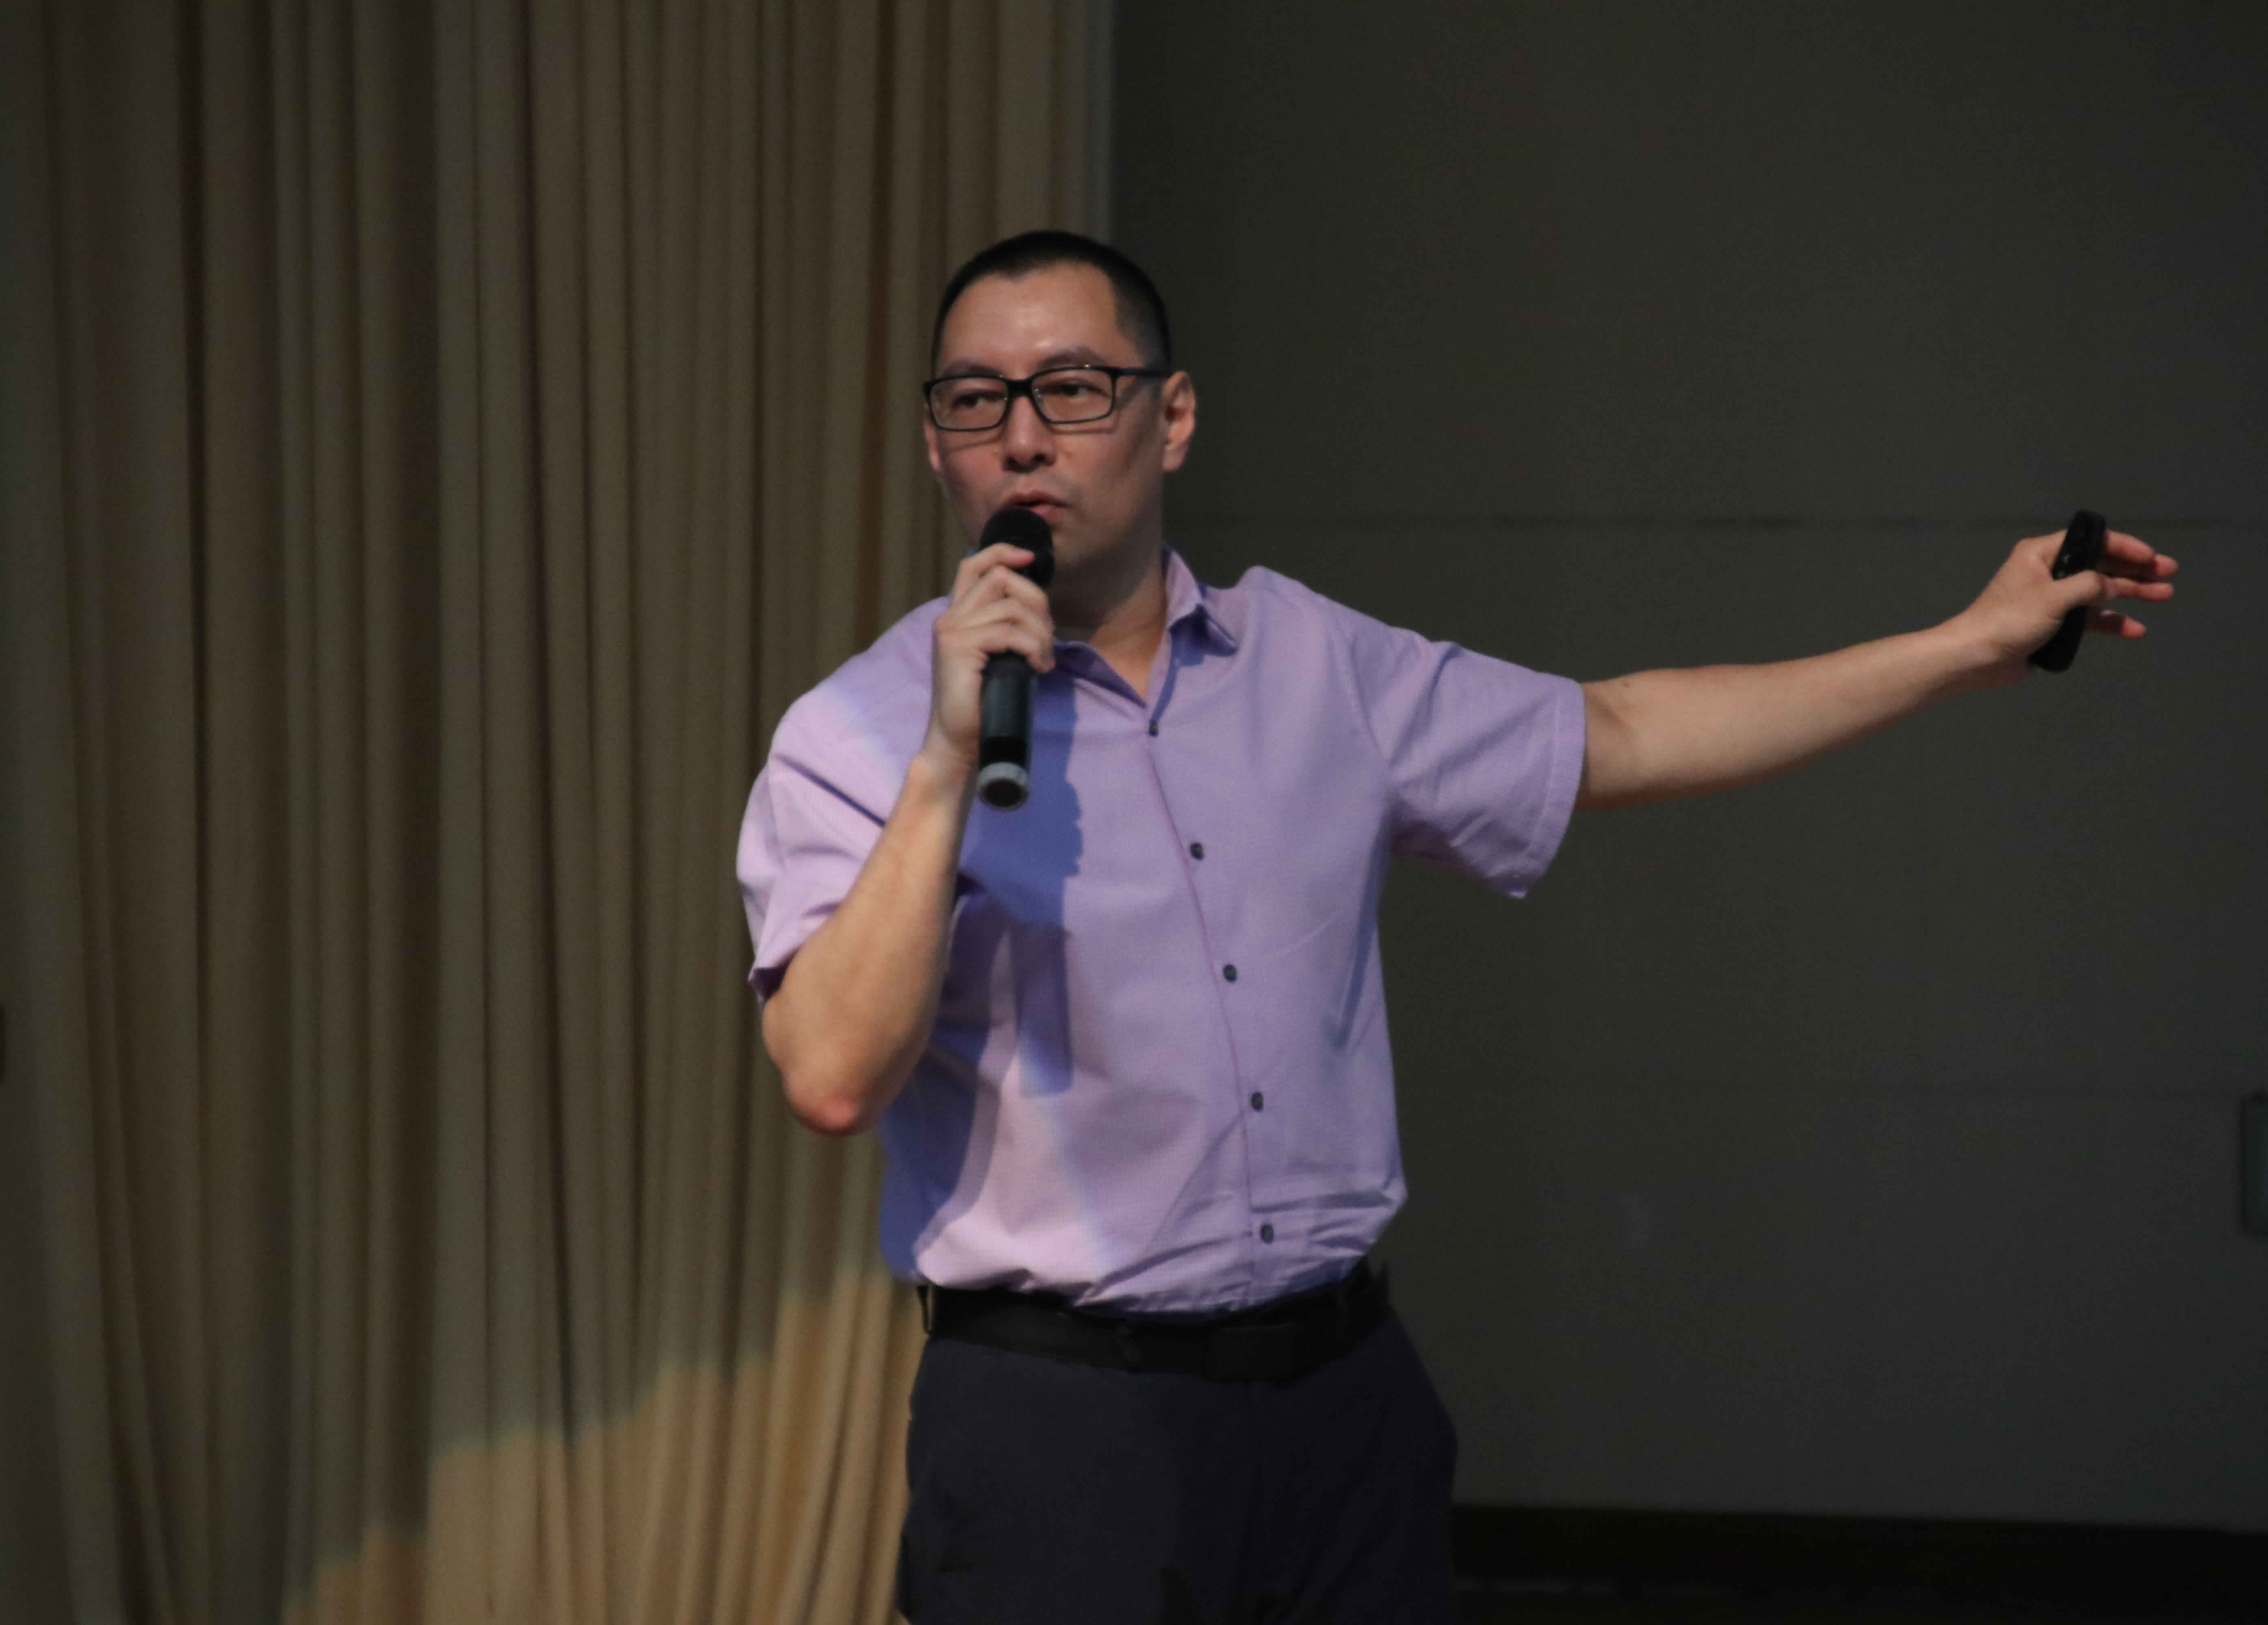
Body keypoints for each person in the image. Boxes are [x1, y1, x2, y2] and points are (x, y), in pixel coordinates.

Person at [735, 230, 2176, 1623]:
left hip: (1340, 1403)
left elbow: (1622, 731)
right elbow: (832, 1076)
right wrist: (946, 765)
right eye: (975, 401)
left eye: (1072, 389)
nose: (1023, 439)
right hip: (1059, 1429)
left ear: (1170, 420)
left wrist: (1961, 647)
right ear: (935, 444)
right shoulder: (857, 731)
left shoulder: (1317, 664)